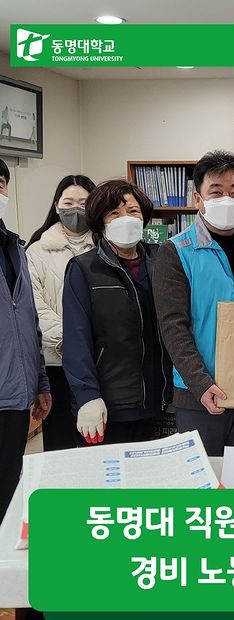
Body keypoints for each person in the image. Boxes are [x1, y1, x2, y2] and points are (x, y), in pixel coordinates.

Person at [153, 150, 234, 456]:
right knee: (203, 478)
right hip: (198, 395)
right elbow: (173, 327)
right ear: (198, 199)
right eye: (216, 191)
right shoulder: (176, 251)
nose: (227, 199)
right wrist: (200, 383)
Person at [62, 179, 172, 446]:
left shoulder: (162, 261)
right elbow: (76, 340)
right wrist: (87, 396)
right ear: (100, 222)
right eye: (114, 213)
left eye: (133, 211)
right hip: (107, 406)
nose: (126, 218)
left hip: (159, 400)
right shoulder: (83, 269)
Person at [26, 175, 96, 451]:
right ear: (56, 206)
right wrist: (72, 341)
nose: (75, 209)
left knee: (96, 440)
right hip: (56, 361)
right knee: (60, 442)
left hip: (98, 361)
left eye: (83, 203)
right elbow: (34, 307)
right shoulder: (36, 251)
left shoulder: (104, 246)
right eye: (68, 203)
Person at [0, 158, 51, 523]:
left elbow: (29, 322)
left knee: (8, 486)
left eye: (0, 184)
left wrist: (41, 382)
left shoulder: (15, 247)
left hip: (17, 397)